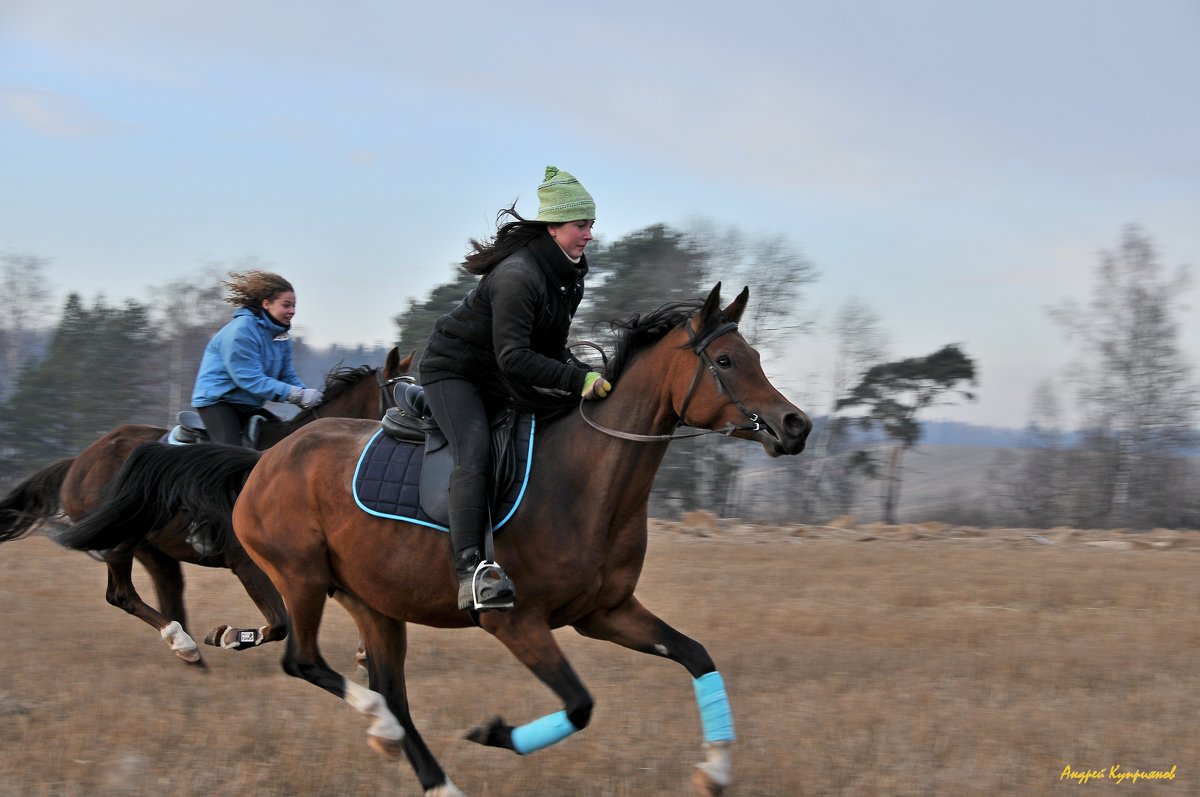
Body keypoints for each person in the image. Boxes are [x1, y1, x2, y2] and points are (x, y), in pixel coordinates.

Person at [420, 166, 613, 611]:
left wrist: (589, 376)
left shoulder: (570, 274)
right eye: (580, 226)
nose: (588, 236)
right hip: (454, 372)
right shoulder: (518, 275)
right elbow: (514, 357)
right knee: (475, 452)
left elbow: (550, 348)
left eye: (591, 226)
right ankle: (470, 572)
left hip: (497, 371)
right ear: (553, 228)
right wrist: (576, 378)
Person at [191, 270, 323, 447]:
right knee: (233, 457)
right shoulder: (241, 331)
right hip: (218, 403)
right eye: (286, 305)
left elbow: (286, 375)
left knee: (283, 442)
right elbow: (251, 380)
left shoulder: (281, 335)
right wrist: (297, 395)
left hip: (248, 405)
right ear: (266, 303)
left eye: (294, 306)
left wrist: (308, 399)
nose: (292, 311)